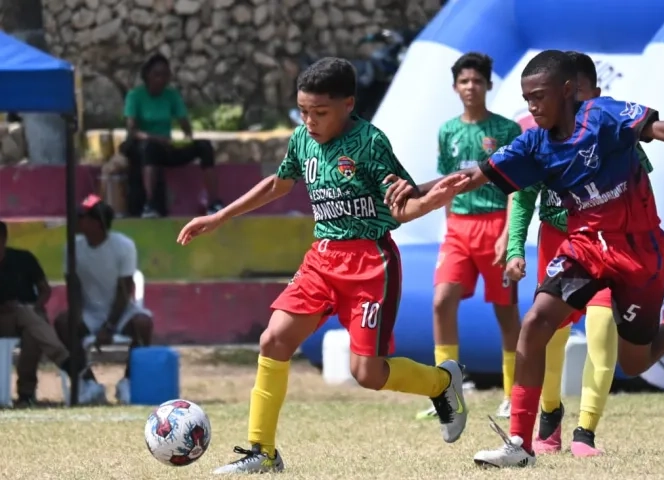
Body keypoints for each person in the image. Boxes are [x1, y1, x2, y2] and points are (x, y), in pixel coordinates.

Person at [384, 49, 664, 468]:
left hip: (639, 251)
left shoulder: (602, 116)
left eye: (539, 96)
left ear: (568, 91)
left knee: (635, 362)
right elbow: (472, 176)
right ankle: (520, 443)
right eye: (527, 98)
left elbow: (657, 127)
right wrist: (417, 191)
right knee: (536, 322)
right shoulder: (534, 144)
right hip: (585, 247)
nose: (532, 106)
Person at [176, 57, 471, 475]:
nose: (310, 121)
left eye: (320, 112)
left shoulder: (370, 143)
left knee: (366, 373)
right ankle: (263, 452)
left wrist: (436, 199)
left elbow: (403, 206)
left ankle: (442, 383)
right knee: (273, 339)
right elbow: (279, 184)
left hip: (371, 263)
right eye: (303, 112)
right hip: (322, 258)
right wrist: (220, 216)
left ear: (348, 104)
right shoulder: (302, 140)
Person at [504, 51, 656, 457]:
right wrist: (515, 248)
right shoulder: (541, 139)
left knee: (603, 334)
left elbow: (641, 191)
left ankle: (586, 431)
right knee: (548, 336)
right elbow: (521, 200)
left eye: (586, 99)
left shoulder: (613, 131)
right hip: (560, 240)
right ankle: (549, 416)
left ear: (591, 94)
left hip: (612, 246)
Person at [415, 52, 523, 422]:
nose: (471, 87)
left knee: (506, 312)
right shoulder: (447, 131)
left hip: (496, 225)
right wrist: (448, 228)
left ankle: (513, 394)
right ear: (455, 87)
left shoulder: (507, 130)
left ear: (488, 85)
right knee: (441, 301)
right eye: (464, 81)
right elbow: (447, 184)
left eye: (477, 81)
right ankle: (445, 391)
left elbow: (516, 186)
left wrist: (509, 234)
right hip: (459, 229)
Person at [53, 195, 154, 405]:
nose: (74, 220)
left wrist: (109, 326)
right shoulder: (71, 248)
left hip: (121, 310)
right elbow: (74, 289)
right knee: (63, 323)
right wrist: (79, 318)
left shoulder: (124, 246)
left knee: (143, 324)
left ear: (96, 222)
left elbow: (124, 291)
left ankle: (128, 382)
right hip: (89, 312)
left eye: (81, 216)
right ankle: (88, 383)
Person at [122, 53, 224, 218]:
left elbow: (184, 124)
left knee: (204, 146)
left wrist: (187, 135)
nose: (161, 79)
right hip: (145, 147)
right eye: (157, 75)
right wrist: (154, 138)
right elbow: (132, 131)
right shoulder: (135, 96)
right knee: (150, 149)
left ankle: (214, 202)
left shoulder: (171, 95)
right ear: (148, 76)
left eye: (165, 75)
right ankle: (150, 204)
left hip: (167, 147)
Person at [0, 220, 75, 406]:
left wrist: (36, 306)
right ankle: (68, 363)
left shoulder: (23, 259)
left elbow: (44, 289)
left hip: (28, 315)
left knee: (32, 330)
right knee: (30, 319)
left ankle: (26, 395)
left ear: (4, 239)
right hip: (3, 319)